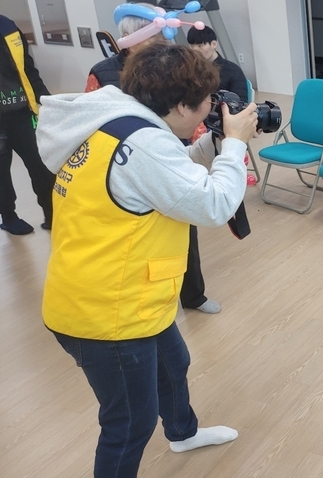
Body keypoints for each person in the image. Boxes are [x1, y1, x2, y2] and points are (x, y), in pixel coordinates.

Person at [36, 43, 258, 477]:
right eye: (206, 102)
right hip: (105, 316)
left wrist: (212, 144)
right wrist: (234, 146)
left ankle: (182, 432)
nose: (211, 107)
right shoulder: (142, 144)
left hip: (124, 294)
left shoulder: (116, 121)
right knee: (129, 424)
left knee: (174, 366)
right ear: (181, 107)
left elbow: (164, 175)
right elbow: (213, 204)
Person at [86, 3, 222, 314]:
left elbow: (191, 108)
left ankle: (193, 295)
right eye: (157, 39)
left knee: (184, 227)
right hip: (126, 162)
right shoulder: (103, 73)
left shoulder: (172, 65)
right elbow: (92, 115)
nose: (164, 45)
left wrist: (211, 140)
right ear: (131, 39)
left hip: (172, 150)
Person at [0, 14, 54, 235]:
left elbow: (28, 68)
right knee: (2, 173)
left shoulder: (8, 26)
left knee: (41, 165)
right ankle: (9, 217)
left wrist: (47, 100)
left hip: (22, 112)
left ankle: (52, 213)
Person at [187, 26, 249, 102]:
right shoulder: (189, 69)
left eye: (200, 45)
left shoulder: (233, 71)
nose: (194, 50)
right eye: (191, 45)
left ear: (214, 44)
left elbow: (240, 103)